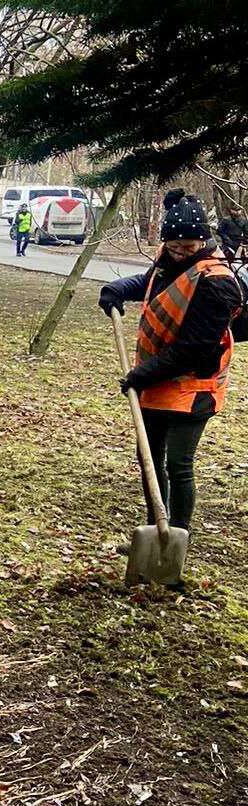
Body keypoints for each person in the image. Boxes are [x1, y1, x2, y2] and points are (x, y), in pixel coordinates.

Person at [98, 189, 240, 564]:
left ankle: (177, 536)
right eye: (174, 247)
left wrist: (140, 375)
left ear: (203, 241)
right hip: (156, 377)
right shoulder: (168, 259)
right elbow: (150, 283)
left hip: (195, 383)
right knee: (148, 458)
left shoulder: (217, 283)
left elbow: (194, 348)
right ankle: (154, 529)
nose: (179, 253)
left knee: (178, 462)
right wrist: (116, 290)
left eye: (187, 247)